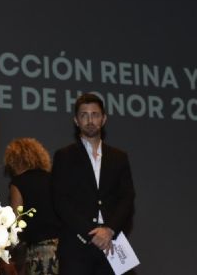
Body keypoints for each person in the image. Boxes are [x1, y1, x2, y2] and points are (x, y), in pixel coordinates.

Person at [51, 93, 135, 275]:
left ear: (104, 119)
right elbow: (60, 201)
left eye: (95, 114)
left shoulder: (119, 157)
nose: (90, 120)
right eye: (84, 115)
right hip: (77, 245)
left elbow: (127, 197)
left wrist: (109, 229)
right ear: (76, 120)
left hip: (112, 243)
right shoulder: (64, 156)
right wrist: (92, 232)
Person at [5, 138, 60, 275]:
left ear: (13, 160)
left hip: (38, 252)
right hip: (62, 249)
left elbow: (15, 224)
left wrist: (8, 256)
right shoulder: (53, 178)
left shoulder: (18, 183)